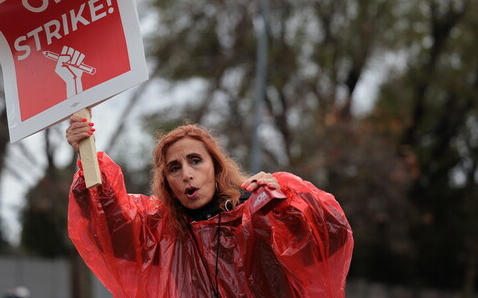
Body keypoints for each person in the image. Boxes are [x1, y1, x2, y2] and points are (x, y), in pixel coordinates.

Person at [66, 111, 353, 298]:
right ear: (167, 182)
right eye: (174, 168)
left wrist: (289, 202)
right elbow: (109, 223)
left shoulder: (256, 212)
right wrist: (86, 150)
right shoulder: (161, 232)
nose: (187, 174)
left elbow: (329, 236)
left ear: (216, 168)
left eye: (195, 160)